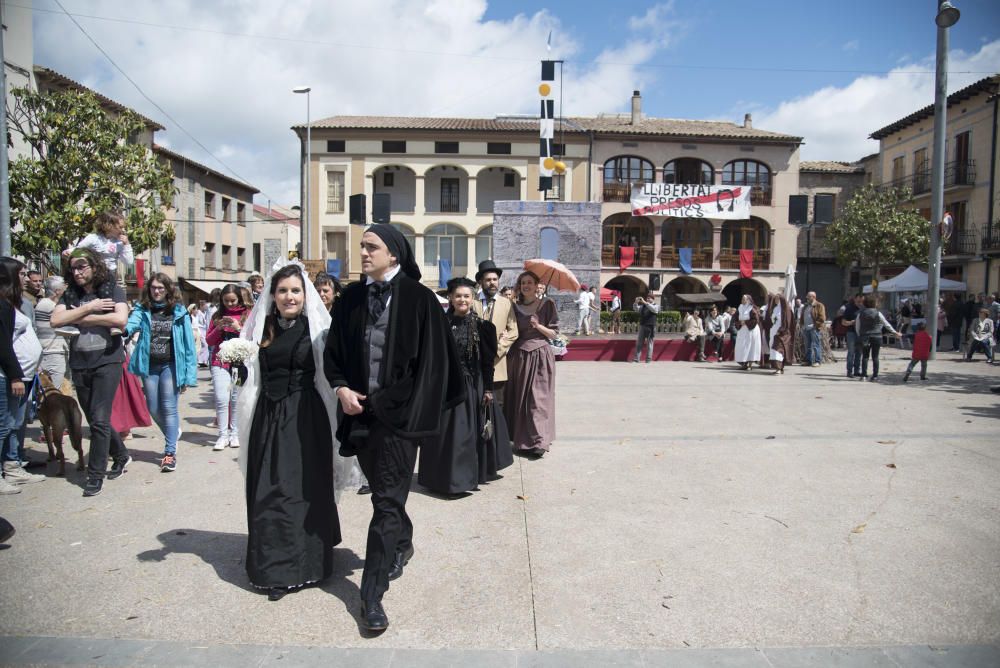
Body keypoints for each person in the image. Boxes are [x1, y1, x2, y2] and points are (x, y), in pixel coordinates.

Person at [324, 224, 463, 632]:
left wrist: (399, 402)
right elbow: (334, 354)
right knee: (386, 496)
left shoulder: (421, 301)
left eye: (372, 247)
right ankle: (402, 540)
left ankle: (371, 595)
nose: (363, 253)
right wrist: (341, 388)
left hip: (402, 420)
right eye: (362, 247)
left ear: (395, 254)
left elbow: (435, 367)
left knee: (385, 502)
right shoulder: (349, 299)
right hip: (359, 415)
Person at [236, 262, 353, 603]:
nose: (290, 297)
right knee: (268, 490)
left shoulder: (317, 330)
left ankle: (307, 562)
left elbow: (333, 369)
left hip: (305, 419)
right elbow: (251, 372)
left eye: (296, 291)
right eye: (283, 290)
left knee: (303, 489)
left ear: (306, 295)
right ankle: (274, 567)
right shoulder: (261, 329)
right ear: (272, 296)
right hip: (268, 418)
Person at [420, 277, 512, 494]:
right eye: (458, 296)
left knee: (464, 434)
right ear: (450, 298)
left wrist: (488, 389)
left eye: (466, 296)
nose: (462, 299)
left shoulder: (484, 328)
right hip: (445, 386)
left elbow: (487, 362)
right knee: (444, 434)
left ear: (472, 299)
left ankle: (461, 479)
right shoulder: (439, 325)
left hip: (472, 386)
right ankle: (441, 477)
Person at [50, 248, 130, 497]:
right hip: (80, 362)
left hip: (108, 361)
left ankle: (95, 475)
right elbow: (55, 321)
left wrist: (79, 317)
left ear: (94, 266)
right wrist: (91, 309)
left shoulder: (111, 288)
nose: (77, 272)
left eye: (82, 266)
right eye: (73, 268)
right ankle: (121, 454)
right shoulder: (70, 293)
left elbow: (120, 320)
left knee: (98, 418)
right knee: (96, 419)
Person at [124, 273, 198, 472]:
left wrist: (189, 375)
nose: (156, 291)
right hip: (149, 364)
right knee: (153, 407)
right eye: (153, 287)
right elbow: (132, 323)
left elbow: (189, 345)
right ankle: (173, 433)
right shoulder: (142, 309)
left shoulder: (179, 312)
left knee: (169, 407)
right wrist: (124, 331)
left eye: (160, 288)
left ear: (168, 290)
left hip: (170, 365)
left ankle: (169, 453)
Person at [0, 258, 44, 489]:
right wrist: (15, 375)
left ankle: (12, 465)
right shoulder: (3, 304)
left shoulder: (13, 302)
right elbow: (4, 344)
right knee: (4, 425)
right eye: (21, 274)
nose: (25, 278)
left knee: (14, 423)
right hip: (10, 376)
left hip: (23, 374)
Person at [505, 270, 559, 458]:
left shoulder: (547, 304)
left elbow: (554, 334)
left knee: (538, 400)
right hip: (519, 357)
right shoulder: (514, 306)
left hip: (540, 357)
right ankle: (521, 441)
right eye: (522, 283)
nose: (526, 285)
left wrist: (539, 326)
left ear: (537, 286)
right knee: (520, 399)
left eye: (529, 282)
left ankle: (539, 442)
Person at [205, 285, 250, 451]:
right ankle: (222, 434)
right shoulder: (217, 315)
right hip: (220, 361)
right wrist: (219, 328)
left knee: (235, 398)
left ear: (239, 298)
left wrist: (239, 328)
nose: (230, 304)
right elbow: (209, 341)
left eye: (233, 300)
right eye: (226, 301)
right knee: (221, 398)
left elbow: (253, 337)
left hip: (239, 362)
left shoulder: (247, 314)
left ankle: (235, 433)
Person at [471, 260, 518, 409]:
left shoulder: (507, 303)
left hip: (497, 365)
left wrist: (496, 350)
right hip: (475, 363)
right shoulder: (472, 302)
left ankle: (497, 433)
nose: (492, 283)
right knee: (476, 404)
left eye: (495, 280)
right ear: (480, 282)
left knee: (497, 407)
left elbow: (513, 331)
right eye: (488, 280)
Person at [34, 277, 70, 391]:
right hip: (52, 353)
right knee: (54, 392)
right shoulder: (49, 305)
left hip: (53, 352)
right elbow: (70, 317)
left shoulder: (46, 304)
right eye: (65, 287)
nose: (67, 291)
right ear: (57, 291)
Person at [856, 296, 900, 382]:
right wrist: (894, 332)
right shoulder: (878, 313)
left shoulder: (860, 314)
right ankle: (875, 376)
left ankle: (863, 375)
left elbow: (858, 326)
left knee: (865, 356)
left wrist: (860, 334)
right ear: (874, 303)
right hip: (876, 336)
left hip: (865, 336)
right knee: (875, 357)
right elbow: (886, 324)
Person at [765, 292, 794, 375]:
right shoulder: (775, 308)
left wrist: (781, 330)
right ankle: (778, 368)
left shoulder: (786, 310)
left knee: (778, 349)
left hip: (781, 333)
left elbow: (787, 322)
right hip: (774, 330)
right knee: (773, 349)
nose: (776, 300)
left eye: (777, 299)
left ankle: (779, 367)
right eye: (775, 299)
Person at [735, 295, 762, 371]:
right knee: (742, 347)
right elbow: (735, 318)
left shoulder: (752, 308)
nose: (742, 300)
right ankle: (744, 364)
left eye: (744, 299)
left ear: (748, 300)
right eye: (742, 299)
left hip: (751, 330)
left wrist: (746, 322)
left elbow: (756, 319)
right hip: (742, 330)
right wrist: (739, 323)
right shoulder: (740, 308)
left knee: (751, 347)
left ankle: (750, 365)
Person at [799, 291, 826, 367]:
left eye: (808, 296)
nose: (807, 298)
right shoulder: (806, 306)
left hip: (814, 328)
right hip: (806, 328)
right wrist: (802, 325)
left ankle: (817, 361)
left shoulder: (819, 305)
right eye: (807, 296)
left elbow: (822, 318)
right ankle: (808, 360)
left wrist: (815, 325)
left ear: (813, 297)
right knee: (807, 345)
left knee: (816, 345)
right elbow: (802, 316)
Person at [632, 291, 659, 363]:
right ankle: (636, 359)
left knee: (649, 344)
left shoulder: (656, 306)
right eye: (647, 298)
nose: (647, 299)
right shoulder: (643, 306)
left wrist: (645, 302)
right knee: (639, 343)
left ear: (653, 299)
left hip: (651, 326)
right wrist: (635, 302)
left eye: (649, 298)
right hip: (643, 325)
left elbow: (653, 309)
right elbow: (636, 309)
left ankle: (648, 359)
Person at [841, 294, 863, 378]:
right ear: (854, 300)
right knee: (851, 352)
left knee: (859, 353)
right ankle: (849, 371)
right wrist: (852, 322)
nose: (860, 303)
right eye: (858, 301)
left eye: (861, 301)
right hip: (851, 333)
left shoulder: (863, 309)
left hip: (861, 333)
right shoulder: (849, 309)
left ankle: (857, 371)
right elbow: (843, 322)